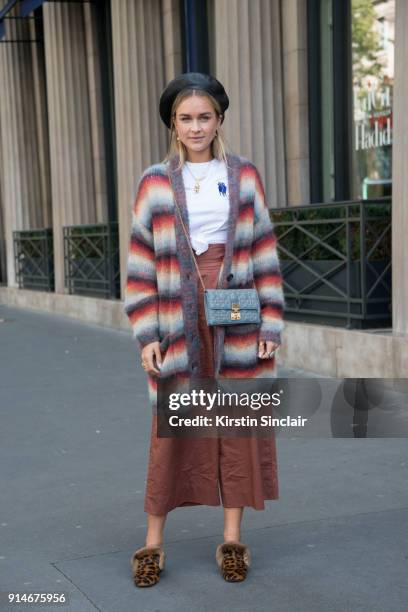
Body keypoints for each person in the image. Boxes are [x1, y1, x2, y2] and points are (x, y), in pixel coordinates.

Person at [123, 72, 285, 587]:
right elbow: (140, 263)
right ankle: (152, 543)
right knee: (172, 426)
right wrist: (148, 333)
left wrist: (271, 323)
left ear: (219, 121)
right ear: (173, 125)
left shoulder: (243, 176)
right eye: (186, 119)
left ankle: (233, 538)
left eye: (205, 117)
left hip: (237, 309)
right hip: (175, 311)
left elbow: (263, 250)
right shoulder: (154, 182)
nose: (196, 127)